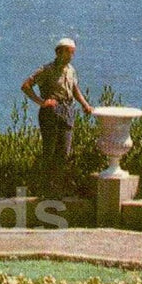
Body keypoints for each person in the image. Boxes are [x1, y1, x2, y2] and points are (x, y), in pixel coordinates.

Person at [21, 37, 95, 198]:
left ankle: (57, 189)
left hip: (67, 111)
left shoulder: (71, 70)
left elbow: (75, 89)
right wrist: (41, 102)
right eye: (67, 52)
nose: (70, 55)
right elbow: (26, 86)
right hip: (51, 112)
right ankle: (45, 190)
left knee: (64, 153)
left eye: (72, 52)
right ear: (58, 52)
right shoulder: (46, 69)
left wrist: (85, 104)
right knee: (49, 152)